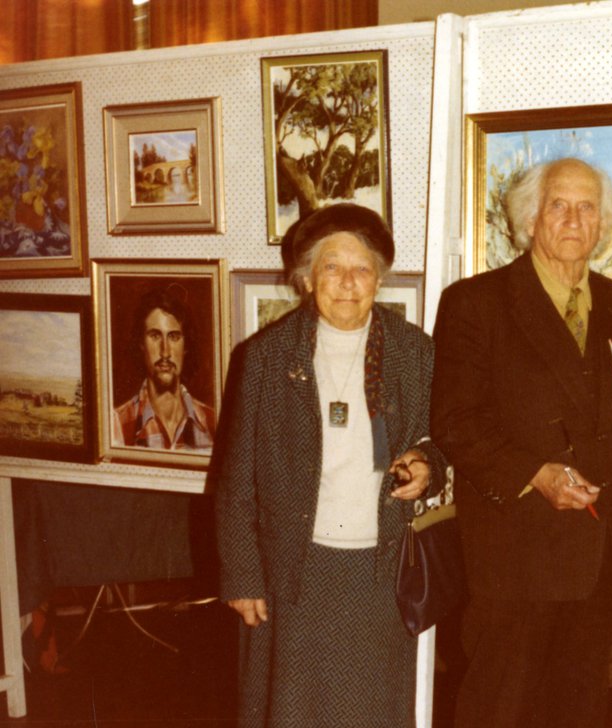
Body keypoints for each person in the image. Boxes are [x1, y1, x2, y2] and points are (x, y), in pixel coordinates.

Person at [430, 157, 612, 728]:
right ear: (530, 218)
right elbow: (455, 422)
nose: (573, 218)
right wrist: (536, 474)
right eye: (558, 205)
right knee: (500, 709)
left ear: (602, 222)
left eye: (587, 207)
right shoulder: (476, 303)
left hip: (598, 554)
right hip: (517, 556)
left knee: (578, 711)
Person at [213, 203, 447, 728]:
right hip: (293, 572)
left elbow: (444, 442)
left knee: (373, 712)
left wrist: (428, 463)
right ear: (306, 278)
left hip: (380, 569)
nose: (347, 282)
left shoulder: (414, 353)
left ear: (379, 279)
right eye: (332, 267)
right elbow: (236, 481)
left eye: (361, 268)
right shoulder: (266, 357)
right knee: (292, 711)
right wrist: (243, 576)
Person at [111, 284, 215, 450]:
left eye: (174, 337)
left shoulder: (213, 421)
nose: (165, 352)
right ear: (141, 344)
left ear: (186, 345)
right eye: (155, 336)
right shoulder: (118, 423)